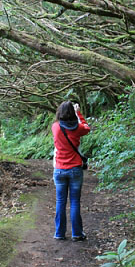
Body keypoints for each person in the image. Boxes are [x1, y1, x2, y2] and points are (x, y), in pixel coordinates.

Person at [51, 101, 90, 241]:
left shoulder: (55, 127)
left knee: (60, 201)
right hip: (75, 169)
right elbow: (87, 127)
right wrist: (78, 112)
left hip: (60, 169)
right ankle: (77, 234)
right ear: (72, 113)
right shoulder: (78, 128)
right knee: (74, 202)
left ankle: (59, 233)